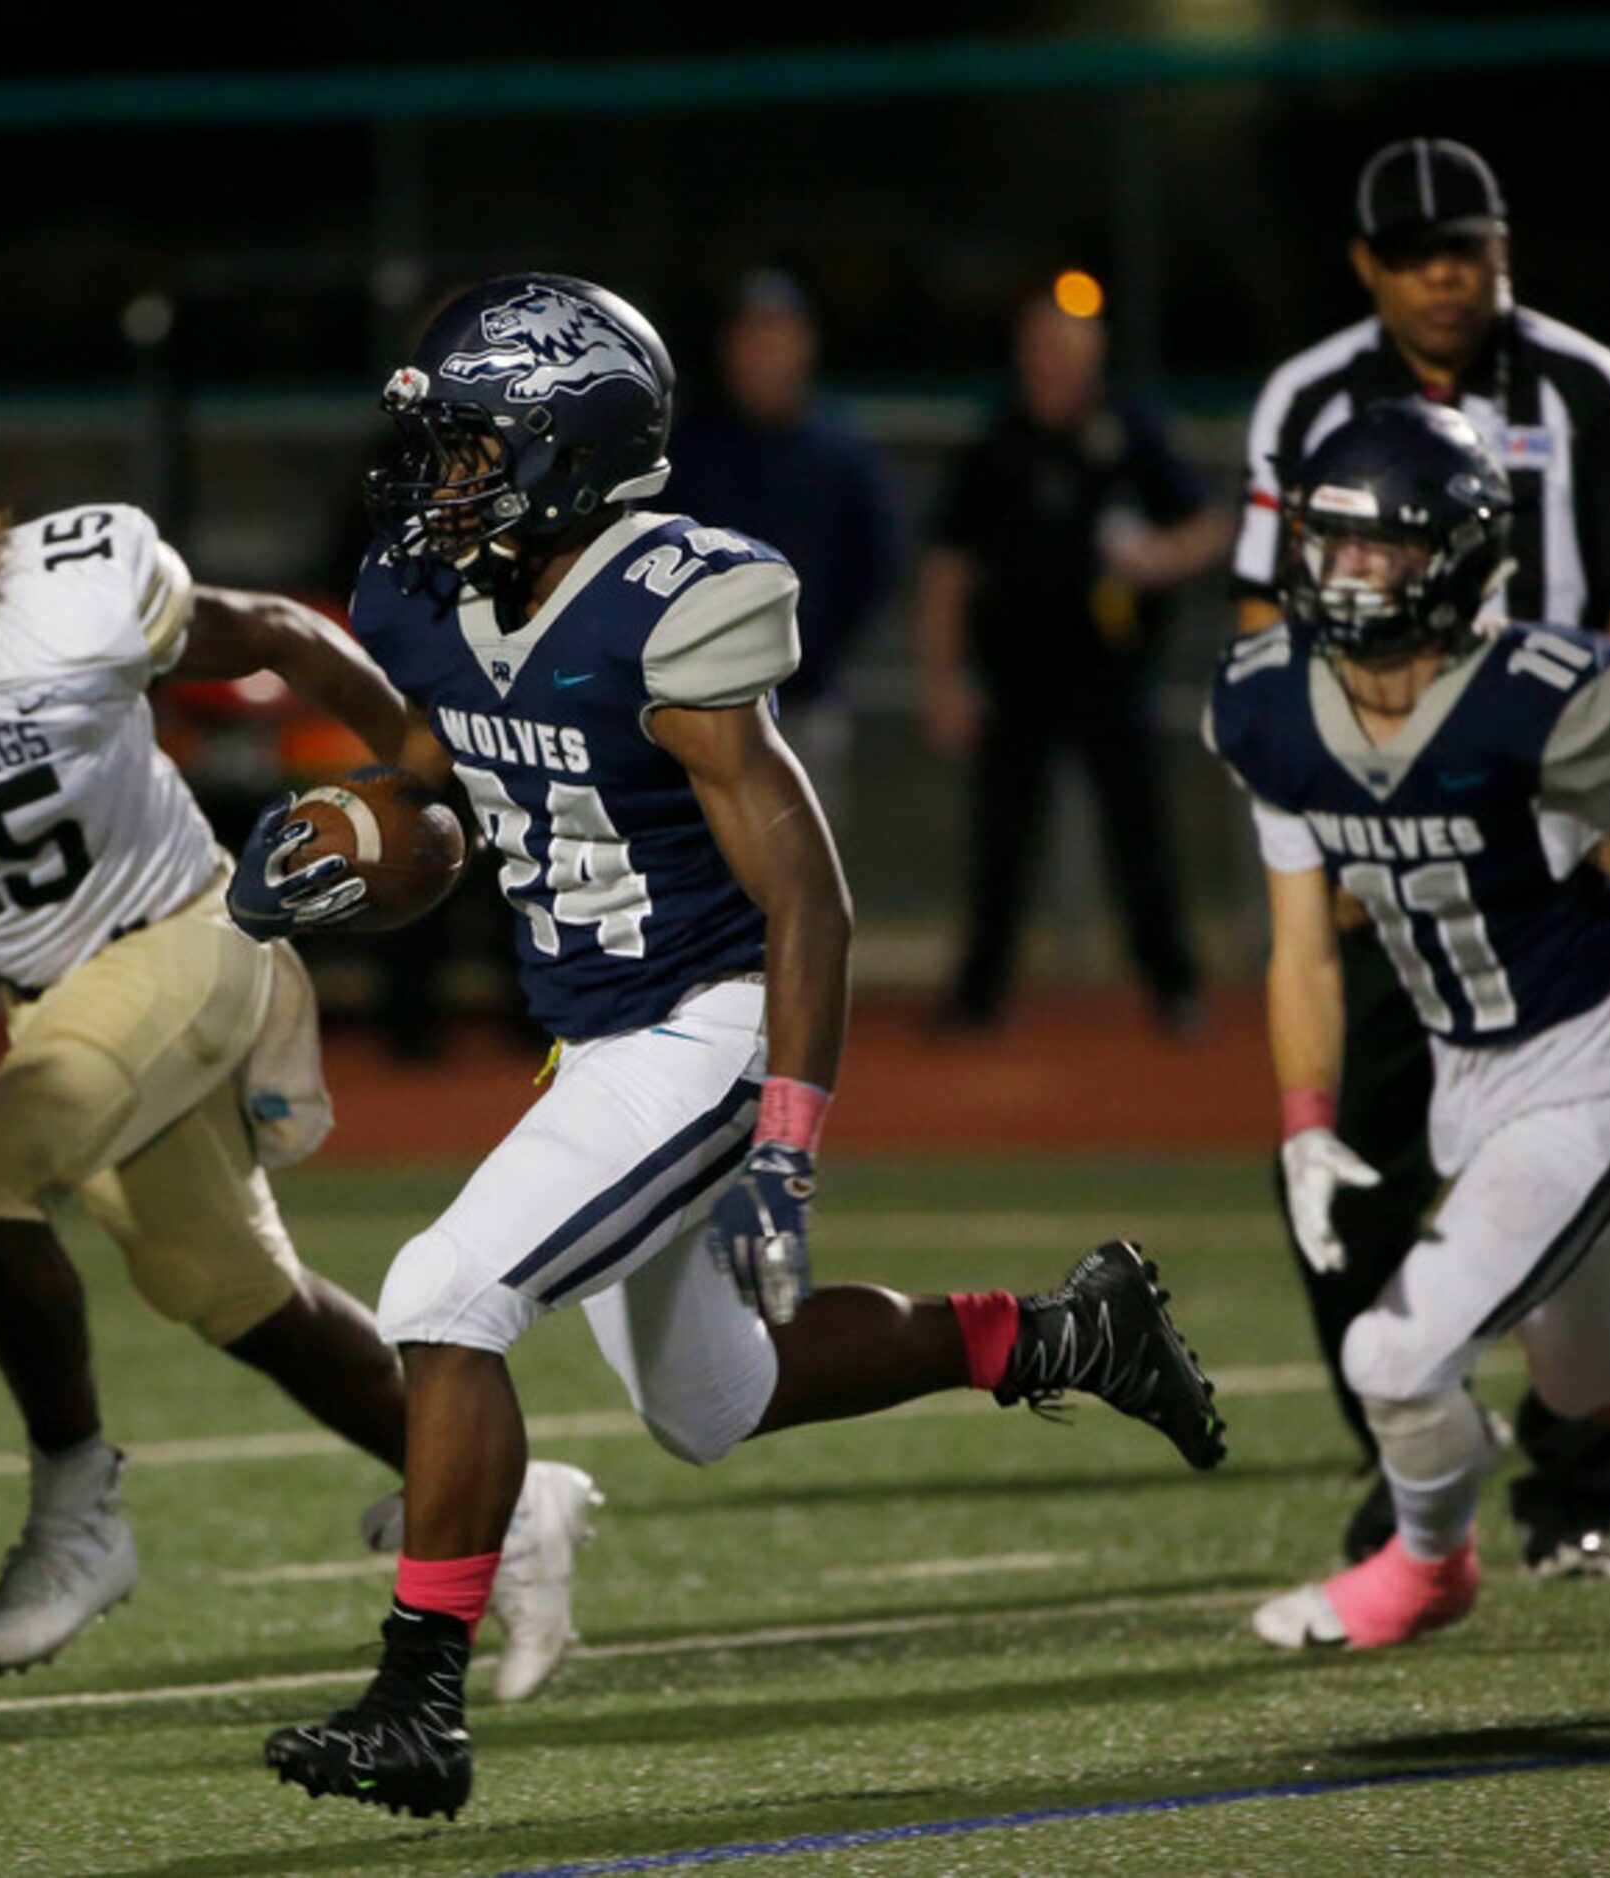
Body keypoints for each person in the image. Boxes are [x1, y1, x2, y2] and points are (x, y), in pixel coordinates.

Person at [235, 274, 1226, 1822]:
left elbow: (806, 893)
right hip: (595, 1037)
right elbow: (438, 795)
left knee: (445, 1291)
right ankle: (1066, 1334)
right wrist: (342, 856)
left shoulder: (667, 595)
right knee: (712, 1402)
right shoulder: (424, 593)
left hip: (709, 1020)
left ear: (566, 449)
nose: (433, 476)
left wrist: (784, 1141)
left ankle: (414, 1694)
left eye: (470, 445)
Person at [0, 401, 596, 1694]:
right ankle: (500, 1501)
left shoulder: (69, 595)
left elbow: (279, 632)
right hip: (49, 997)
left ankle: (77, 1505)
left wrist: (428, 764)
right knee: (232, 1295)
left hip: (194, 930)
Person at [1211, 399, 1610, 1651]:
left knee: (1391, 1353)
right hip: (1466, 1074)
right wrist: (1305, 1123)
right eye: (1330, 541)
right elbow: (1302, 943)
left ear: (1456, 554)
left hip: (1597, 1065)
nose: (1346, 570)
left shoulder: (1530, 698)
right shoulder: (1270, 705)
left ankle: (1425, 1569)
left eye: (1384, 546)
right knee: (1600, 1379)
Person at [1230, 138, 1610, 1577]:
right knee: (1342, 1164)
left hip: (1551, 835)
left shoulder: (1582, 384)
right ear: (1366, 267)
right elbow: (1266, 618)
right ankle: (1409, 1466)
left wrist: (1553, 797)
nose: (1450, 274)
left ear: (1506, 249)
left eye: (1472, 245)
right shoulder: (1308, 397)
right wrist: (1356, 801)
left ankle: (1573, 1493)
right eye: (1420, 251)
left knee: (1578, 1153)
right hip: (1386, 852)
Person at [917, 278, 1228, 1036]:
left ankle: (1173, 988)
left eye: (1069, 351)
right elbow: (946, 569)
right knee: (1001, 844)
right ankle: (977, 998)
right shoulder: (994, 442)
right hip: (1014, 674)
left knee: (1139, 836)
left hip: (1111, 673)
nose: (1054, 365)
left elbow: (1210, 524)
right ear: (1023, 355)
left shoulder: (1130, 430)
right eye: (1042, 349)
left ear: (1094, 357)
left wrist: (1159, 556)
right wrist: (942, 679)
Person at [660, 268, 902, 825]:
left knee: (804, 874)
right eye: (751, 338)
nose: (765, 354)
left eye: (779, 336)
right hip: (694, 705)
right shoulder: (688, 448)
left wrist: (815, 647)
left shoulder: (839, 451)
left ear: (806, 346)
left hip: (806, 701)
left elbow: (875, 564)